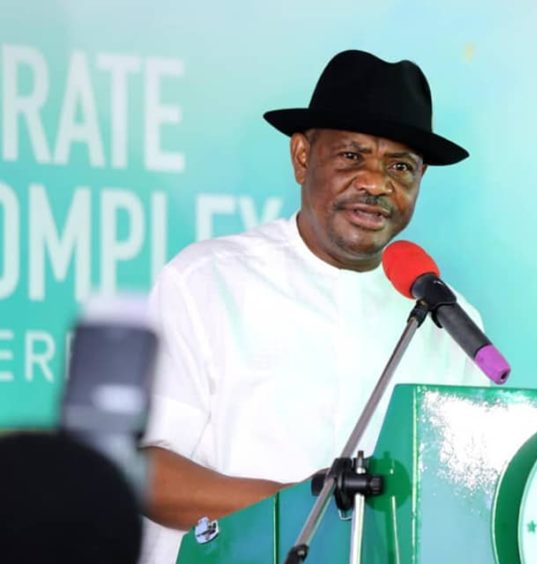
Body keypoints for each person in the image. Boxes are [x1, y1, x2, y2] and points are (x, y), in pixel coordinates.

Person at [139, 50, 485, 562]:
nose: (376, 183)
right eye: (352, 156)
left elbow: (464, 501)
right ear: (302, 156)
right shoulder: (207, 282)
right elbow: (146, 473)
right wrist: (311, 507)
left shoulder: (450, 322)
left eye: (401, 167)